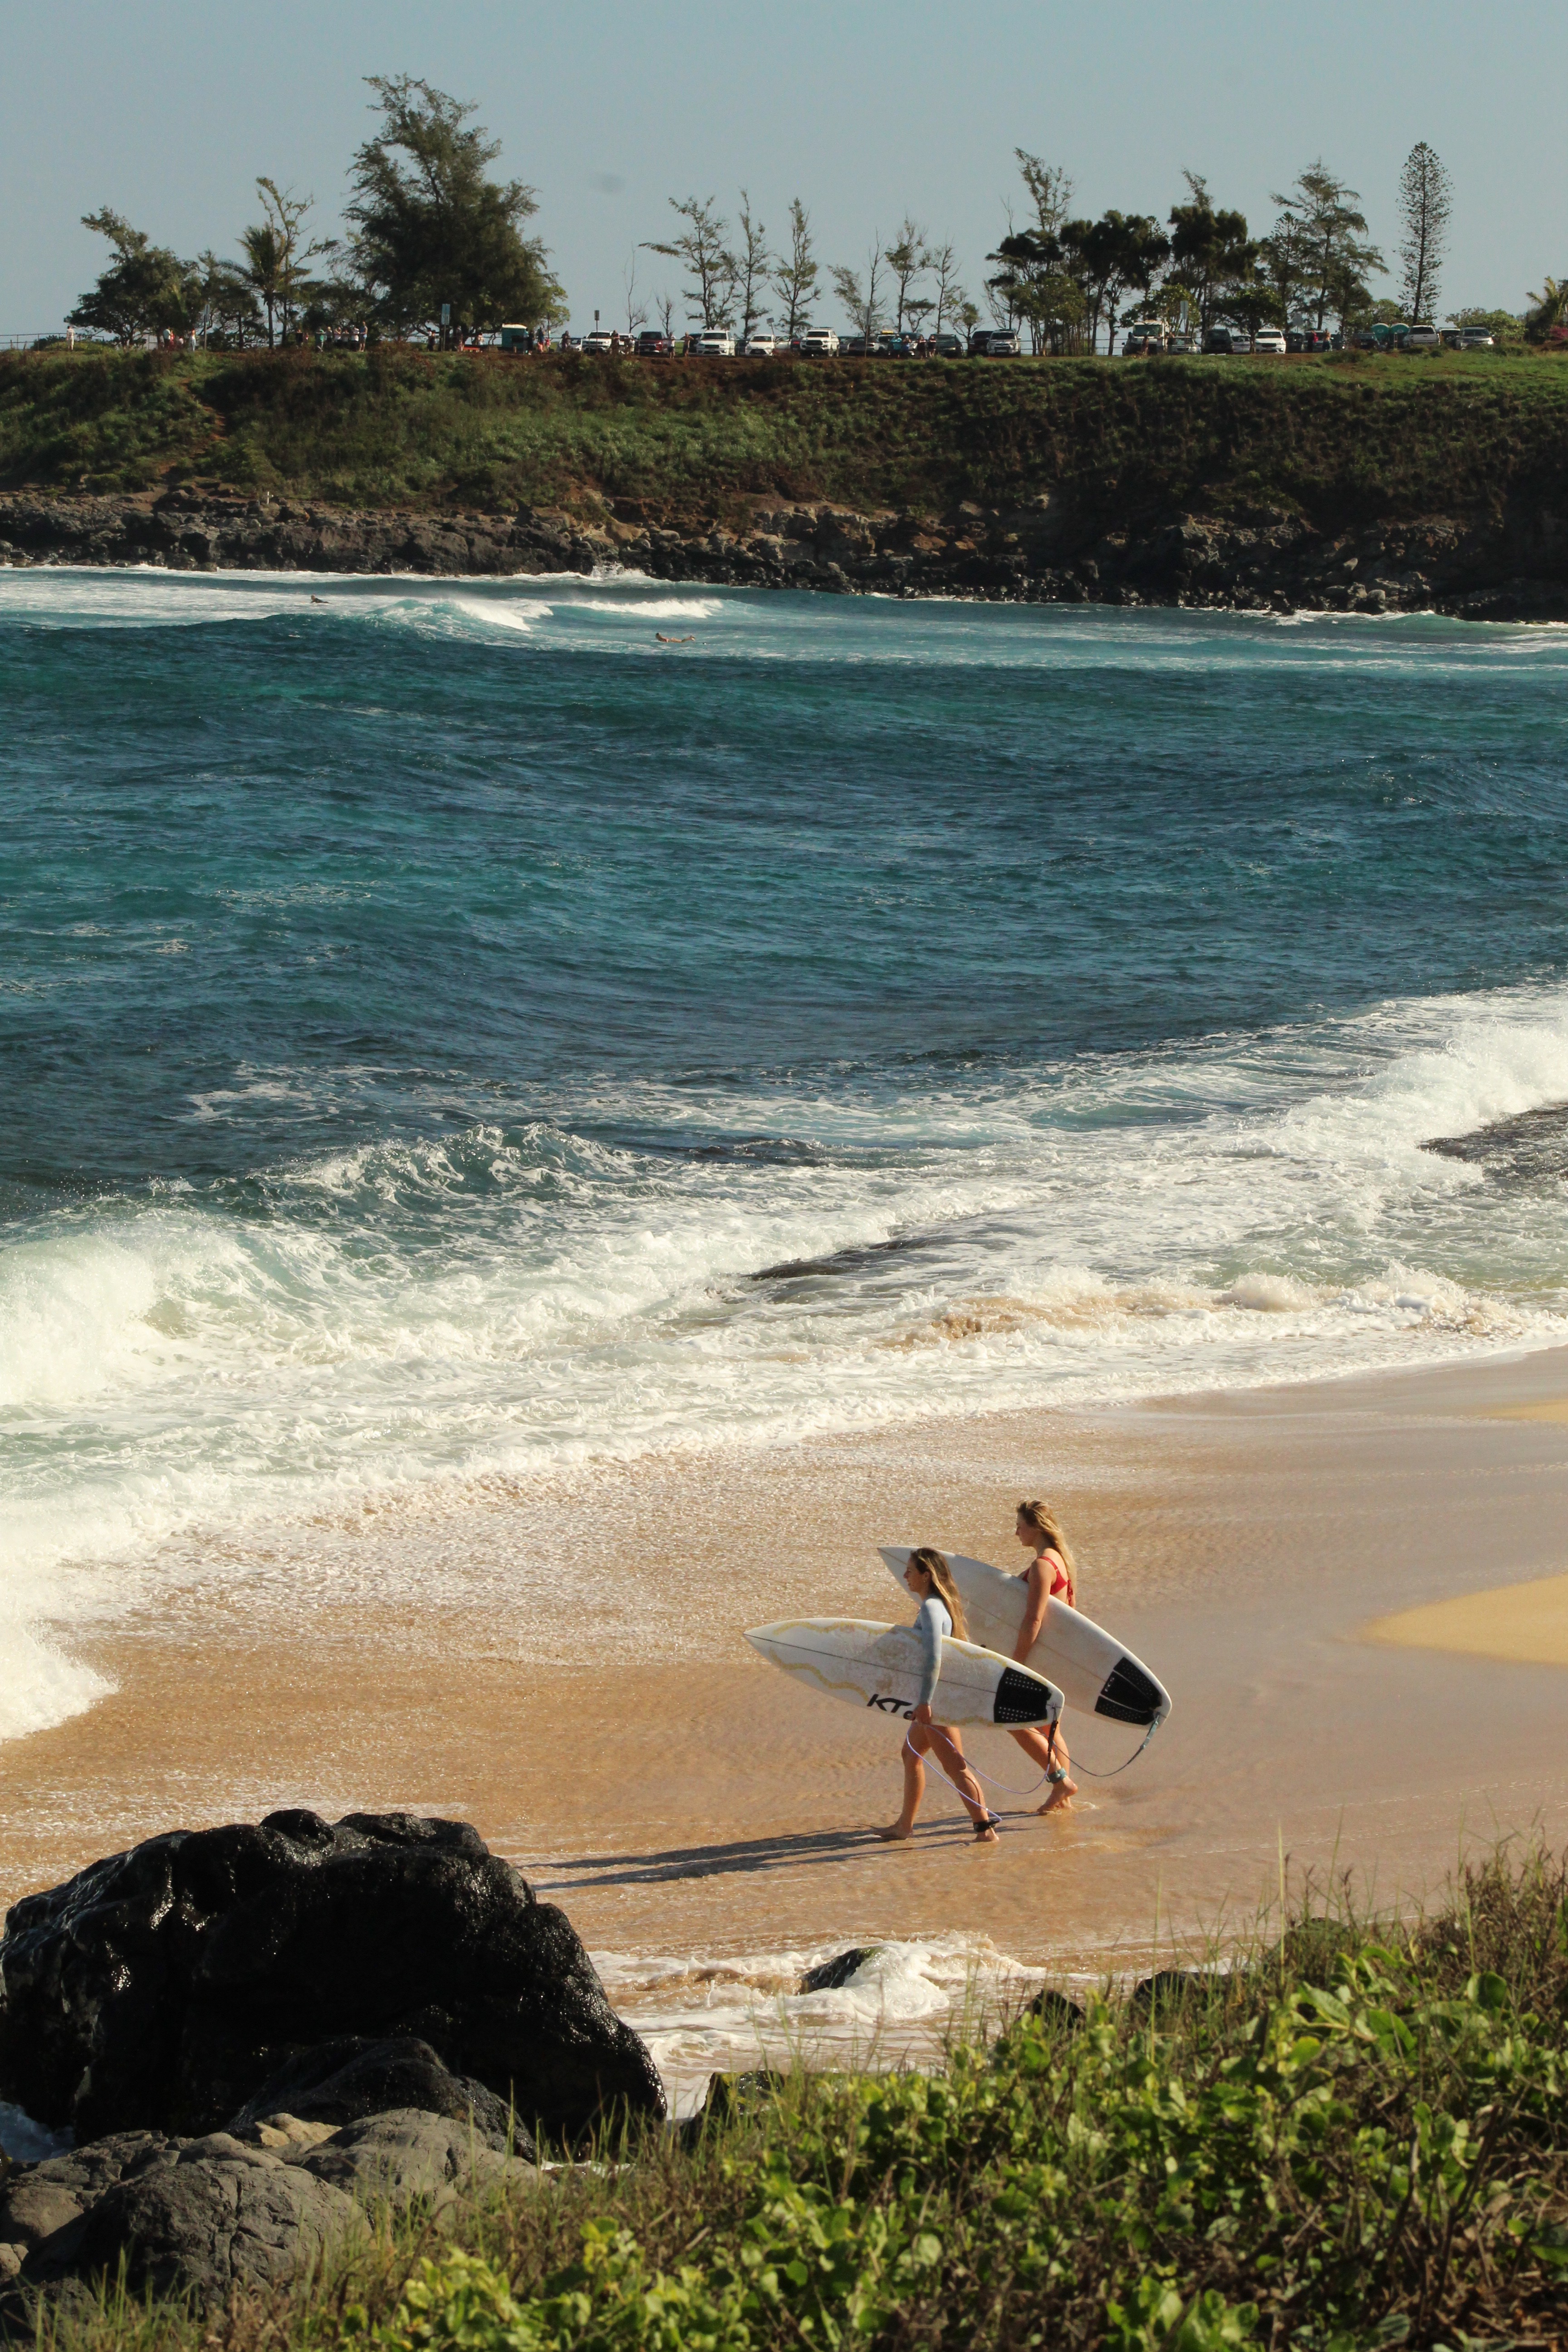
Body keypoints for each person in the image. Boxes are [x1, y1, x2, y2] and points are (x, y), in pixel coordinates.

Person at [877, 1548, 999, 1845]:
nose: (905, 1576)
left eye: (910, 1571)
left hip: (937, 1701)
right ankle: (904, 1826)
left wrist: (926, 1702)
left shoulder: (932, 1609)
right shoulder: (941, 1606)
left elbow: (934, 1658)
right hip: (938, 1698)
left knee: (956, 1767)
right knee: (911, 1754)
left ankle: (985, 1831)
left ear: (926, 1575)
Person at [1006, 1500, 1080, 1813]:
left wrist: (1016, 1664)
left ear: (1035, 1527)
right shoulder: (1061, 1561)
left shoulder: (1042, 1566)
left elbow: (1033, 1620)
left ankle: (1060, 1781)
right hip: (1056, 1657)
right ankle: (1062, 1797)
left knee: (1010, 1719)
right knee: (1051, 1730)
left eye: (1020, 1525)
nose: (1016, 1532)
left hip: (1036, 1658)